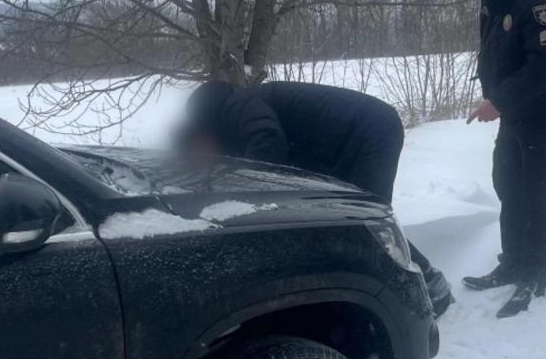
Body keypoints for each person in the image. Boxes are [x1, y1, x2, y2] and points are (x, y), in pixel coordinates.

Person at [177, 79, 453, 315]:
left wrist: (250, 193)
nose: (205, 157)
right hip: (347, 143)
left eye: (200, 149)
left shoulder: (238, 105)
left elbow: (268, 139)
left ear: (205, 127)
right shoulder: (234, 118)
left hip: (371, 132)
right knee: (349, 220)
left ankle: (429, 285)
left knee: (365, 222)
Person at [453, 0, 546, 318]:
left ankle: (536, 271)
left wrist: (499, 100)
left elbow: (544, 67)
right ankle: (513, 261)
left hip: (544, 116)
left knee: (538, 195)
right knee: (508, 186)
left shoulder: (541, 1)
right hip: (515, 115)